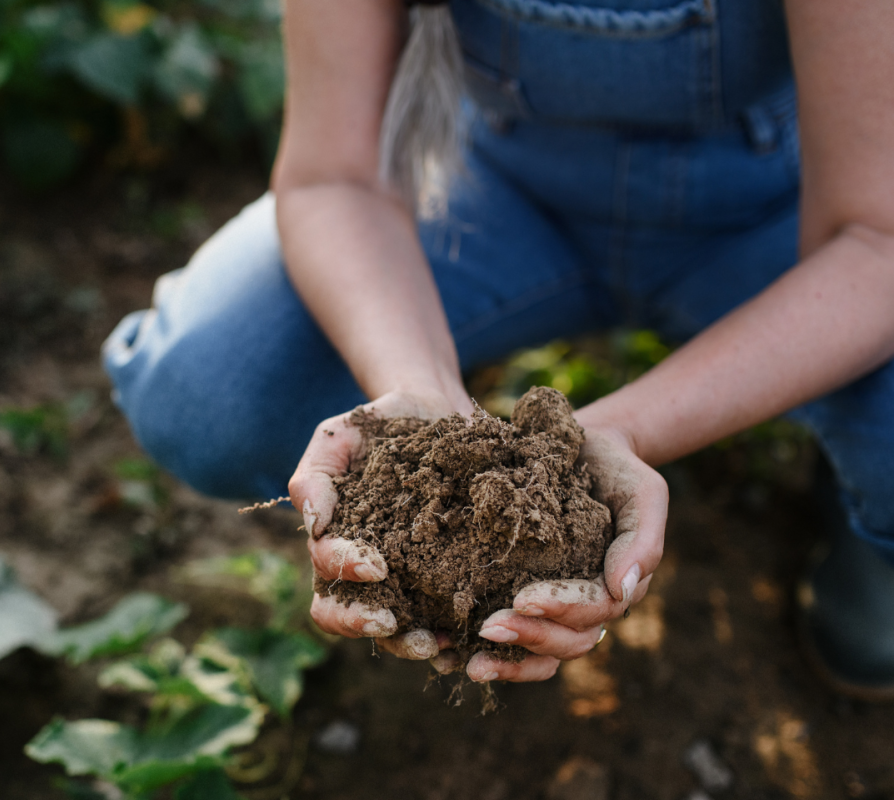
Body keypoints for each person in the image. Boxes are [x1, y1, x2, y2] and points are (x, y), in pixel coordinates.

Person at [103, 0, 894, 697]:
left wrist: (617, 434)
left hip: (781, 214)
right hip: (491, 187)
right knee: (209, 392)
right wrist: (422, 410)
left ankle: (865, 513)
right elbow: (334, 177)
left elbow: (875, 240)